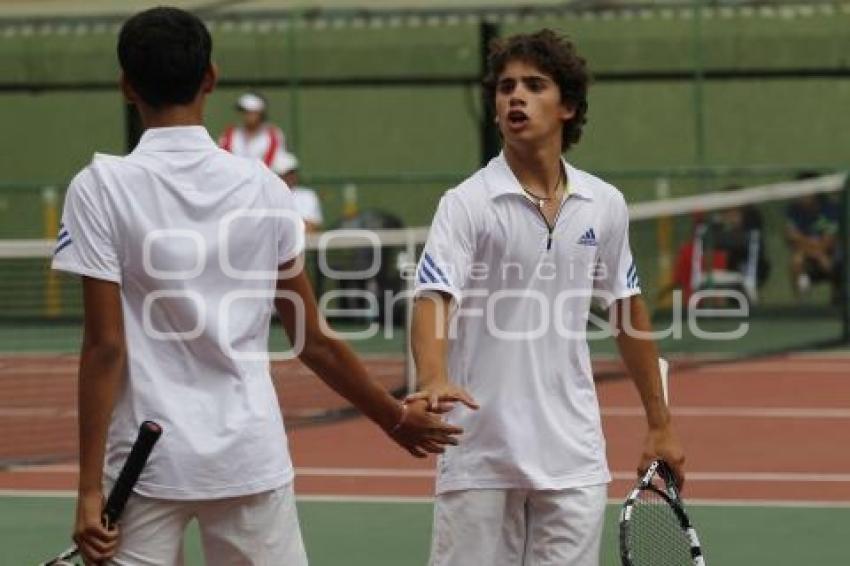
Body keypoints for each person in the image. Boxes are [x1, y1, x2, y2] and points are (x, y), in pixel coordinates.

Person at [51, 8, 461, 564]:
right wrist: (393, 419)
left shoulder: (97, 188)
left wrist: (88, 492)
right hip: (247, 458)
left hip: (141, 469)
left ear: (126, 85)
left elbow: (104, 348)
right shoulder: (266, 188)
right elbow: (311, 339)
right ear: (211, 77)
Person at [408, 30, 685, 566]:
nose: (516, 97)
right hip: (480, 457)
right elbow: (434, 295)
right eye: (506, 87)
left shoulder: (603, 204)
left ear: (569, 107)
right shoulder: (466, 204)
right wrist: (432, 377)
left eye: (534, 86)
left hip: (572, 457)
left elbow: (628, 311)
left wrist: (661, 423)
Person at [785, 172, 842, 302]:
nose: (801, 194)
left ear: (815, 191)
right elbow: (791, 238)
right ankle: (799, 302)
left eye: (805, 190)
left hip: (833, 253)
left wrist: (802, 239)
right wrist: (814, 251)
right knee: (796, 259)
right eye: (799, 190)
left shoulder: (831, 208)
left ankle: (839, 296)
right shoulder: (793, 209)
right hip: (809, 252)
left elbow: (828, 242)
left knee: (830, 260)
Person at [218, 91, 287, 168]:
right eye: (244, 111)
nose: (247, 116)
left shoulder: (273, 134)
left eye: (251, 112)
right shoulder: (230, 133)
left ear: (260, 113)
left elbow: (277, 163)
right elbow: (223, 159)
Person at [271, 150, 324, 233]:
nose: (290, 177)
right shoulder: (268, 197)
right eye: (286, 174)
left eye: (292, 173)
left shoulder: (307, 196)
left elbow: (311, 226)